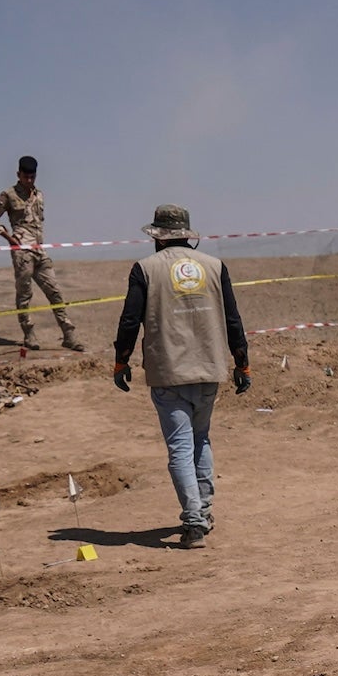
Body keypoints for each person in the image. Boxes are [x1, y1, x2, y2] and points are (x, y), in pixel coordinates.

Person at [112, 205, 249, 547]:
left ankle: (194, 522)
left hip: (169, 372)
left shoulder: (145, 269)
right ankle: (203, 509)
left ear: (157, 237)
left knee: (180, 447)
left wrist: (121, 361)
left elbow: (130, 321)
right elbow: (234, 320)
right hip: (209, 369)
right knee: (201, 438)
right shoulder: (215, 266)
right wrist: (242, 364)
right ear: (187, 235)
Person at [0, 156, 85, 354]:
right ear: (18, 175)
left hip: (40, 250)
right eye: (26, 177)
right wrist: (8, 237)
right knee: (25, 295)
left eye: (32, 177)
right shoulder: (9, 194)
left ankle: (69, 335)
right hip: (22, 253)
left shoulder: (39, 195)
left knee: (55, 292)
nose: (29, 180)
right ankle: (28, 333)